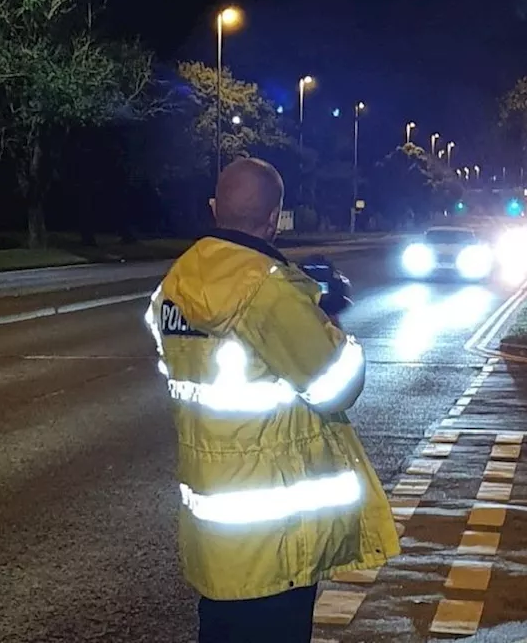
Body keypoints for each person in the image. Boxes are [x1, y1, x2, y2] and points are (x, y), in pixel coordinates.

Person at [145, 158, 400, 642]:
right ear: (273, 219)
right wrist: (328, 319)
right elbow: (336, 386)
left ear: (215, 207)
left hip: (216, 534)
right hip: (274, 542)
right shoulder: (267, 289)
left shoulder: (175, 286)